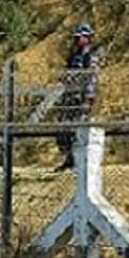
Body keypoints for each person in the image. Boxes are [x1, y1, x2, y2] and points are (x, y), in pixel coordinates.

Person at [56, 23, 100, 171]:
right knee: (63, 127)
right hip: (69, 95)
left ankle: (79, 160)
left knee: (78, 128)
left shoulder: (90, 57)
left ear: (87, 38)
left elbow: (91, 78)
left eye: (80, 37)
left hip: (81, 96)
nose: (76, 40)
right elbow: (67, 73)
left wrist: (88, 97)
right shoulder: (73, 55)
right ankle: (69, 157)